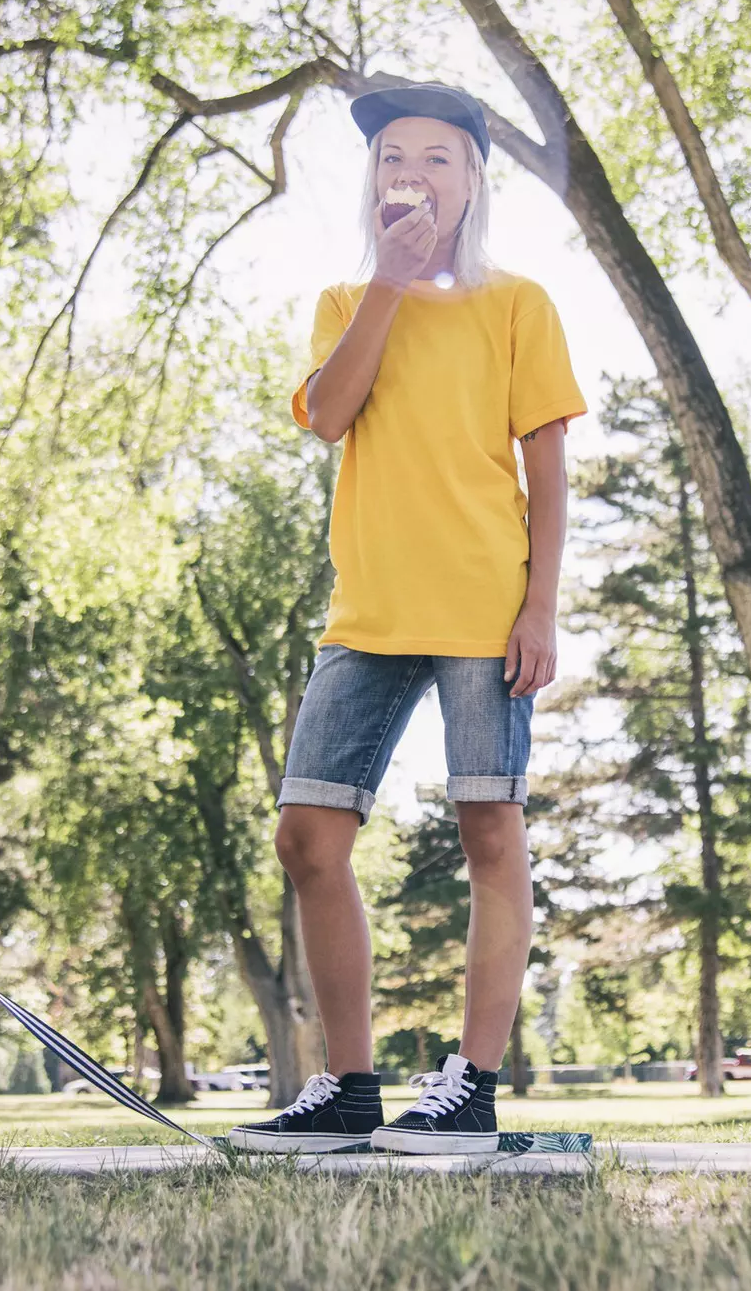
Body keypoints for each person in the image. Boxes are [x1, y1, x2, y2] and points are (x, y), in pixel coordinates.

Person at [228, 83, 586, 1155]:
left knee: (490, 830)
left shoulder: (518, 303)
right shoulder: (347, 300)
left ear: (472, 180)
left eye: (437, 158)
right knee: (307, 838)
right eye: (394, 157)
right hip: (367, 611)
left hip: (484, 605)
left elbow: (550, 464)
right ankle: (346, 1088)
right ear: (374, 182)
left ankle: (471, 1085)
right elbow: (329, 415)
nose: (413, 174)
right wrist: (388, 283)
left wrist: (541, 607)